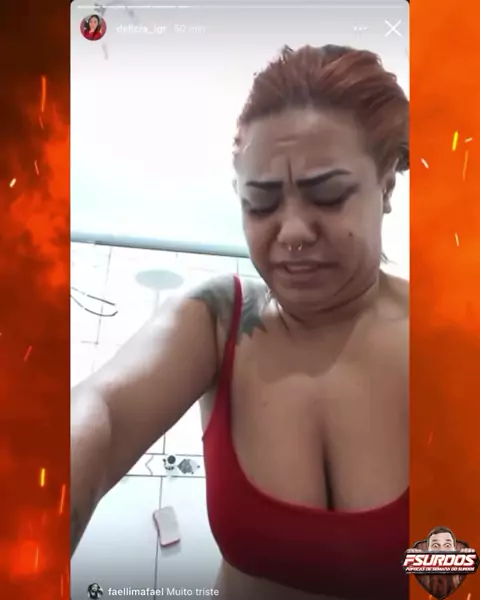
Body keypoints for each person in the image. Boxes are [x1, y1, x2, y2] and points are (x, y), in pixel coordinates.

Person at [71, 44, 409, 600]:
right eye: (261, 204)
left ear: (387, 186)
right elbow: (99, 410)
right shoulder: (217, 320)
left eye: (328, 196)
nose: (291, 231)